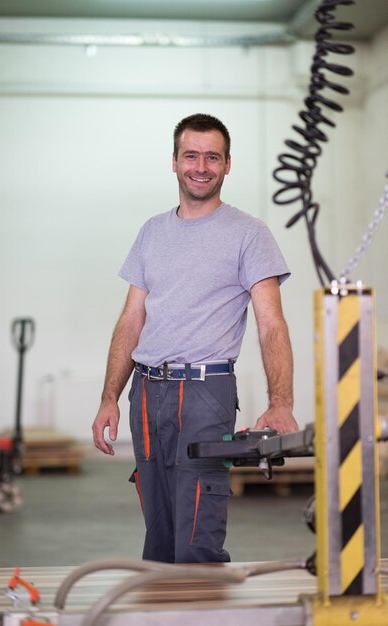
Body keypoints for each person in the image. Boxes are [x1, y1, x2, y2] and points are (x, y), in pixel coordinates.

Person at [92, 113, 298, 564]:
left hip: (206, 392)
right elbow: (131, 319)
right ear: (174, 162)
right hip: (146, 393)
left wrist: (281, 401)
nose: (200, 166)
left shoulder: (249, 233)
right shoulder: (152, 231)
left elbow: (271, 323)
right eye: (191, 155)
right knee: (159, 537)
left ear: (227, 165)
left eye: (212, 157)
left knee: (196, 538)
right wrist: (110, 396)